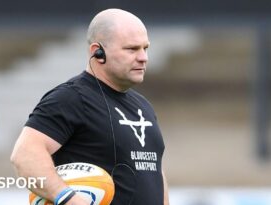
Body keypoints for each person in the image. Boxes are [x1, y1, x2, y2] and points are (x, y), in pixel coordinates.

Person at [11, 8, 169, 205]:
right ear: (98, 52)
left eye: (145, 48)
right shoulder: (71, 98)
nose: (143, 57)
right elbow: (25, 155)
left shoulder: (143, 106)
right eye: (132, 49)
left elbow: (155, 174)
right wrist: (68, 198)